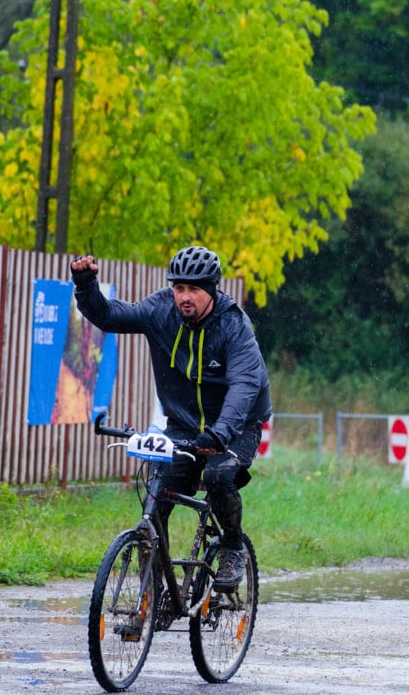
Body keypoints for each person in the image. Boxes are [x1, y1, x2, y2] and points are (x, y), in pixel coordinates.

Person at [71, 246, 272, 589]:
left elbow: (245, 384)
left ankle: (232, 547)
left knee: (219, 476)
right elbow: (110, 316)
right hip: (184, 425)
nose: (185, 297)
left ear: (212, 289)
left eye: (194, 289)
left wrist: (222, 432)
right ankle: (153, 597)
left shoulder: (233, 325)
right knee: (156, 501)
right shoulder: (160, 309)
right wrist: (86, 285)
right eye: (179, 288)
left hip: (237, 425)